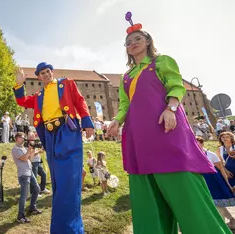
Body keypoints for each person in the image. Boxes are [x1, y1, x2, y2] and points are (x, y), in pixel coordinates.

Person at [107, 12, 231, 234]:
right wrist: (116, 121)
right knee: (147, 197)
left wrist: (171, 108)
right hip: (138, 136)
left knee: (183, 188)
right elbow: (125, 104)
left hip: (165, 128)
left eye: (137, 39)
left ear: (147, 41)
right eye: (128, 42)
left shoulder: (161, 62)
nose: (133, 44)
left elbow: (176, 85)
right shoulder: (126, 76)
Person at [13, 62, 94, 233]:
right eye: (42, 73)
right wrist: (19, 85)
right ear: (39, 77)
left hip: (67, 131)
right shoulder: (39, 95)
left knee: (70, 180)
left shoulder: (66, 83)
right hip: (50, 136)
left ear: (52, 72)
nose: (46, 75)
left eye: (47, 71)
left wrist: (87, 121)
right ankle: (60, 228)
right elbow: (22, 101)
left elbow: (80, 101)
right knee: (57, 181)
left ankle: (72, 228)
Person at [196, 136, 235, 229]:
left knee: (218, 203)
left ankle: (220, 225)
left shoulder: (211, 155)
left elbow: (221, 170)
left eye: (198, 143)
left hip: (214, 182)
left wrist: (228, 184)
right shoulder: (193, 155)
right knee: (213, 204)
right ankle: (231, 219)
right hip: (201, 181)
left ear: (202, 144)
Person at [12, 132, 42, 223]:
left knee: (37, 189)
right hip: (23, 174)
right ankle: (20, 216)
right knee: (24, 195)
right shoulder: (15, 149)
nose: (24, 139)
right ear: (17, 138)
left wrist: (32, 150)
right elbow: (24, 159)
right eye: (22, 137)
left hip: (29, 171)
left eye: (24, 137)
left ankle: (32, 207)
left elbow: (30, 159)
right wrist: (29, 150)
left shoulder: (23, 148)